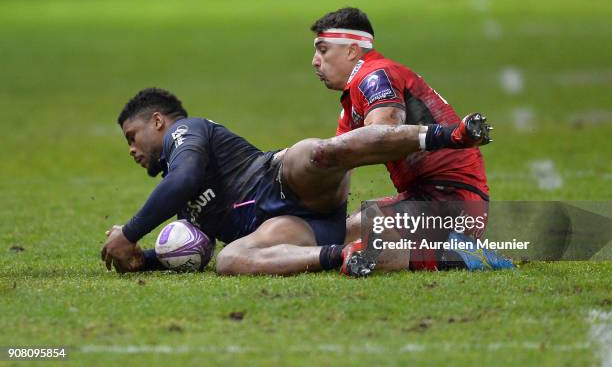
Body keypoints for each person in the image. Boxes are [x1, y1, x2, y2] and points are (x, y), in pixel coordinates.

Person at [100, 87, 491, 275]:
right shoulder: (180, 194)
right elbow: (199, 250)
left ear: (158, 122)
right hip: (290, 228)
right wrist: (144, 259)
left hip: (283, 180)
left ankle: (448, 134)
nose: (132, 150)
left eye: (132, 137)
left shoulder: (185, 132)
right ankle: (345, 256)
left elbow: (183, 179)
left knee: (315, 151)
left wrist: (130, 233)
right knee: (230, 260)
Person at [310, 7, 493, 274]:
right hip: (431, 197)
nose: (315, 61)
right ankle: (449, 253)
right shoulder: (353, 99)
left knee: (354, 235)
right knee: (338, 232)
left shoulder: (374, 76)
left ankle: (462, 256)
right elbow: (337, 165)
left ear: (351, 50)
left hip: (451, 200)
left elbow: (382, 132)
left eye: (323, 50)